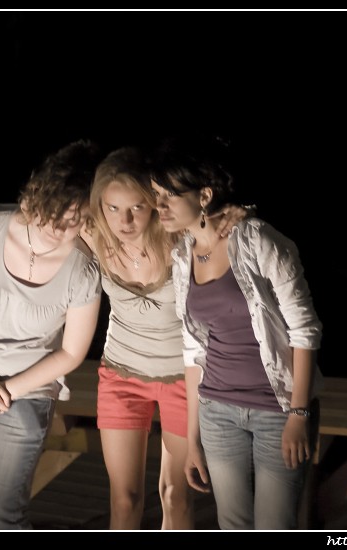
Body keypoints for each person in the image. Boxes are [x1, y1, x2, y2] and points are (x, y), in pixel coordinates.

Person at [149, 135, 323, 530]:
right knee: (232, 524)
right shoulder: (182, 256)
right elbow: (194, 350)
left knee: (275, 525)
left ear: (204, 195)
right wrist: (192, 438)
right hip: (217, 411)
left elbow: (304, 330)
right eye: (157, 194)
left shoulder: (258, 240)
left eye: (170, 195)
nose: (160, 206)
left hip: (276, 408)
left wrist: (298, 414)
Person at [0, 140, 103, 530]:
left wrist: (4, 390)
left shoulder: (83, 269)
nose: (57, 229)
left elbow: (72, 353)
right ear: (34, 199)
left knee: (2, 515)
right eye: (51, 214)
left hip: (26, 393)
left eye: (72, 220)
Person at [81, 147, 248, 529]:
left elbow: (228, 221)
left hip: (182, 378)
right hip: (121, 374)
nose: (124, 220)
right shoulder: (94, 234)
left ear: (155, 203)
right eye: (112, 208)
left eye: (137, 207)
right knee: (124, 500)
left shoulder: (180, 238)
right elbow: (39, 216)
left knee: (176, 495)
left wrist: (240, 212)